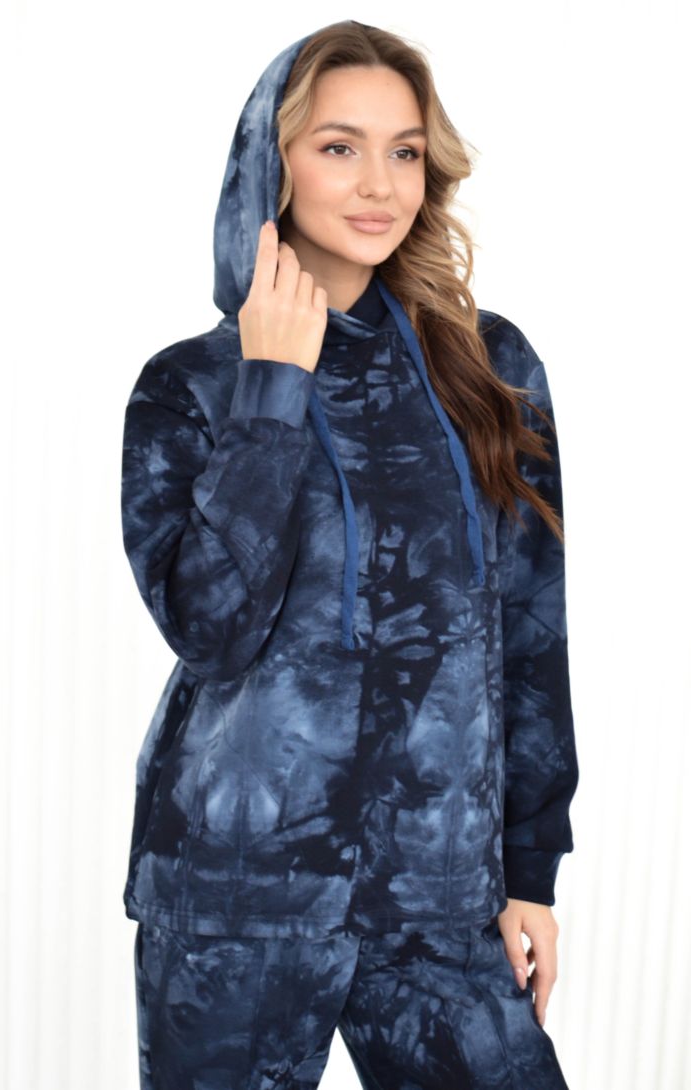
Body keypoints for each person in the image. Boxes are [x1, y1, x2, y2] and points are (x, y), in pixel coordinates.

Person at [120, 18, 580, 1090]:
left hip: (440, 896)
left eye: (403, 150)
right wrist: (271, 391)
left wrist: (529, 868)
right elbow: (212, 631)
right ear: (270, 165)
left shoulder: (491, 369)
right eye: (339, 146)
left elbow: (530, 633)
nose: (379, 183)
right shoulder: (189, 387)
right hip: (235, 893)